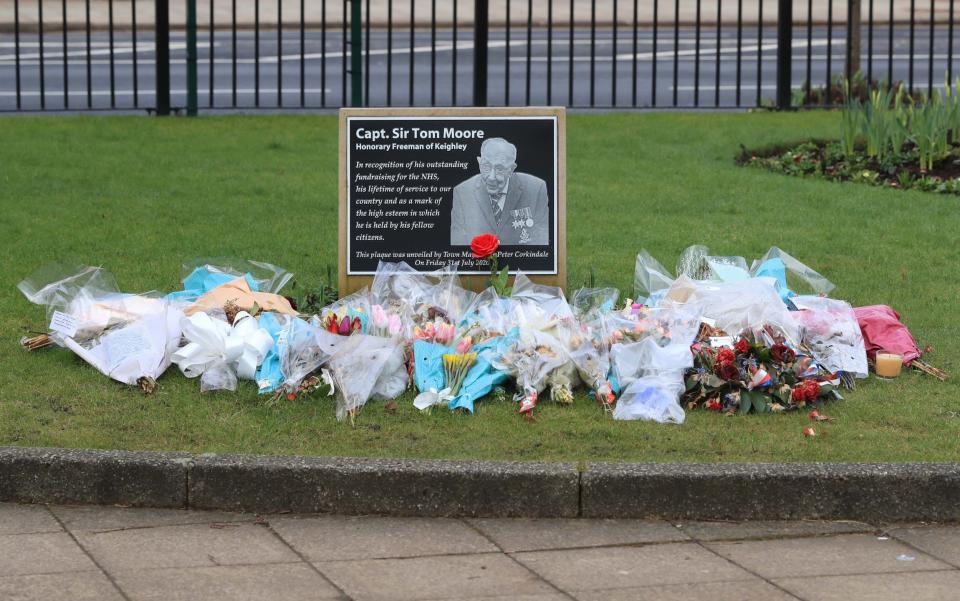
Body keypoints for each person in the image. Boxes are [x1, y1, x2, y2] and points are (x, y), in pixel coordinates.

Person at [450, 137, 549, 246]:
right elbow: (458, 245)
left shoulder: (535, 189)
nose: (491, 177)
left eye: (499, 169)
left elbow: (541, 242)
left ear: (511, 169)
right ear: (479, 163)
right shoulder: (462, 192)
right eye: (486, 166)